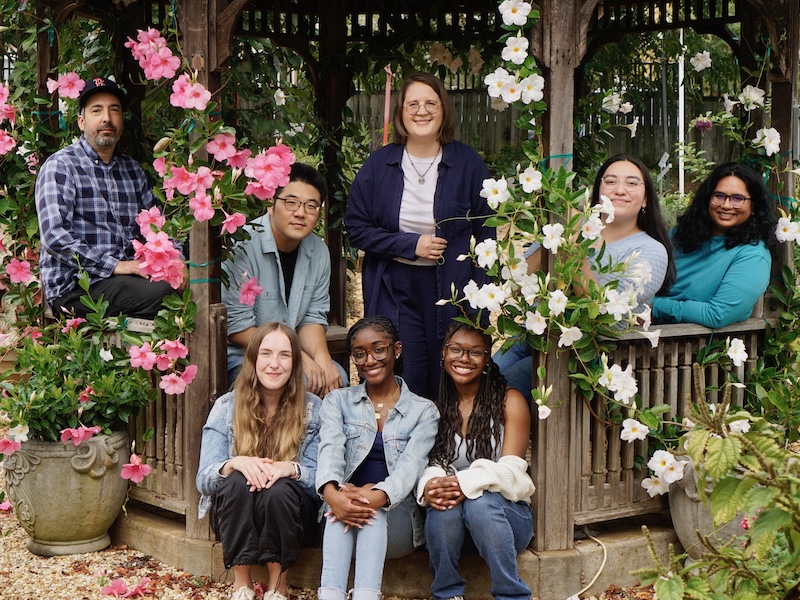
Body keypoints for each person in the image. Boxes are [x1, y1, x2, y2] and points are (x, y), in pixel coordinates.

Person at [345, 73, 495, 401]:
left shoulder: (468, 164)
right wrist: (411, 244)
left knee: (452, 368)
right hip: (396, 285)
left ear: (444, 110)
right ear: (400, 112)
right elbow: (356, 227)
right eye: (412, 104)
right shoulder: (379, 165)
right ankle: (403, 444)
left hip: (454, 285)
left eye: (430, 103)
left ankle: (450, 446)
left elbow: (487, 236)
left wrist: (480, 301)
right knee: (407, 369)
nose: (421, 111)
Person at [494, 154, 675, 402]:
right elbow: (517, 285)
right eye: (610, 182)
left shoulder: (651, 251)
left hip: (580, 352)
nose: (620, 190)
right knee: (476, 381)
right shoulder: (570, 227)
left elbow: (599, 313)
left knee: (496, 393)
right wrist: (555, 236)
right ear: (598, 192)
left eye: (632, 183)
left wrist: (575, 245)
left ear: (645, 199)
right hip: (531, 334)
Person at [196, 322, 322, 600]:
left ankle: (279, 585)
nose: (274, 364)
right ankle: (242, 582)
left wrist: (291, 469)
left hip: (292, 515)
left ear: (295, 363)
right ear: (252, 360)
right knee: (238, 480)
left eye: (284, 355)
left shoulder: (314, 409)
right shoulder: (226, 407)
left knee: (278, 489)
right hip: (237, 508)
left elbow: (321, 484)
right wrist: (235, 463)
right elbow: (203, 480)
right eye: (266, 354)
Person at [316, 316, 439, 600]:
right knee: (337, 512)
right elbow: (329, 451)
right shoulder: (338, 401)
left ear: (396, 350)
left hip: (397, 518)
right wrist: (332, 495)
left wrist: (376, 495)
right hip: (340, 510)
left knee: (372, 512)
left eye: (378, 349)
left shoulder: (424, 411)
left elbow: (410, 468)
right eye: (360, 354)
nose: (370, 360)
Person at [36, 77, 177, 318]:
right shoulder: (61, 166)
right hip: (76, 289)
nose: (107, 119)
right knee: (166, 294)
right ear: (81, 121)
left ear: (121, 121)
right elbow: (54, 237)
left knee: (192, 285)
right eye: (96, 110)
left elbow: (157, 226)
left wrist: (178, 262)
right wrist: (115, 266)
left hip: (126, 281)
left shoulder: (132, 171)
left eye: (115, 110)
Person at [418, 321, 535, 600]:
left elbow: (514, 474)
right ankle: (447, 593)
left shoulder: (511, 401)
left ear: (487, 358)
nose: (464, 359)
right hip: (455, 531)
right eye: (456, 349)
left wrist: (464, 482)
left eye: (475, 352)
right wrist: (432, 484)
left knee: (481, 503)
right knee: (441, 505)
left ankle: (512, 595)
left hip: (506, 524)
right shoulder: (436, 408)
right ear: (444, 354)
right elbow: (432, 464)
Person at [223, 162, 346, 395]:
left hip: (292, 353)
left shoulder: (318, 252)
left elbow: (311, 318)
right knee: (301, 384)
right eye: (291, 202)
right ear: (271, 203)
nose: (300, 213)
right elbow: (238, 328)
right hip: (247, 355)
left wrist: (324, 361)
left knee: (337, 379)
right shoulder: (242, 244)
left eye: (311, 206)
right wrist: (297, 357)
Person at [652, 162, 777, 328]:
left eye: (737, 199)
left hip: (689, 346)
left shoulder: (753, 256)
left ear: (753, 205)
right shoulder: (680, 235)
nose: (725, 205)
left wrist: (653, 306)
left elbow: (717, 315)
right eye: (719, 195)